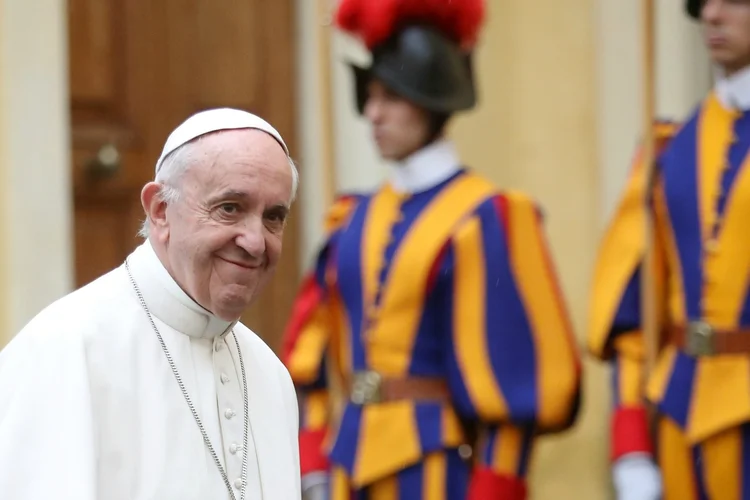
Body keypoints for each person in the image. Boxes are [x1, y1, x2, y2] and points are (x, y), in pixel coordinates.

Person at [282, 0, 582, 498]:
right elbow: (306, 356)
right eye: (369, 95)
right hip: (345, 471)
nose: (373, 114)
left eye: (391, 97)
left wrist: (494, 487)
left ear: (431, 99)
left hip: (439, 472)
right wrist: (312, 460)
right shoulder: (350, 218)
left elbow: (514, 389)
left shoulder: (488, 217)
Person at [0, 108, 301, 500]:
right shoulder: (64, 350)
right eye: (230, 208)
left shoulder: (270, 374)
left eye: (273, 217)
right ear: (160, 210)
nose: (255, 241)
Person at [587, 0, 750, 498]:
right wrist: (632, 444)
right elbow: (637, 316)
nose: (712, 15)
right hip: (678, 415)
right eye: (705, 2)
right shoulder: (670, 146)